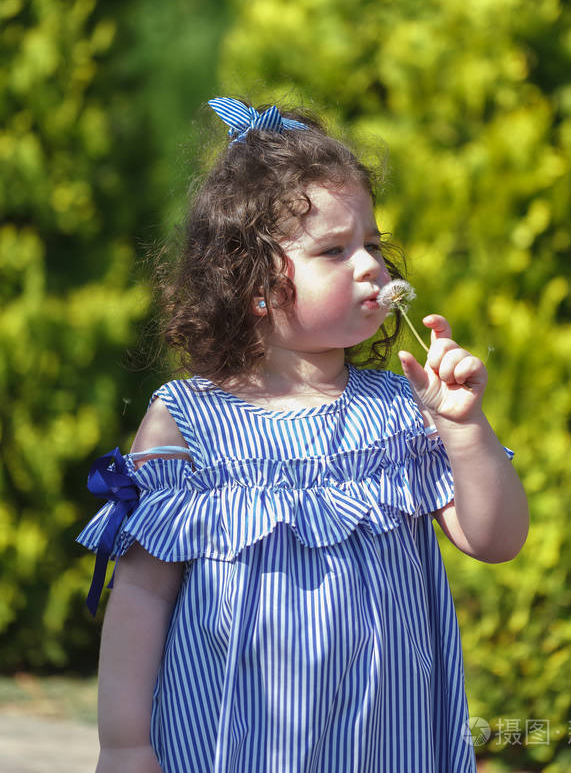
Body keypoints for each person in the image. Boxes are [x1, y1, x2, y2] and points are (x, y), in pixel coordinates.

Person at [78, 97, 529, 773]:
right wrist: (124, 742)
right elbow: (142, 594)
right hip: (234, 740)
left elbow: (496, 538)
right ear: (255, 282)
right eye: (334, 249)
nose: (371, 265)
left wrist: (464, 429)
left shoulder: (400, 410)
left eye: (373, 244)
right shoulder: (188, 421)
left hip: (387, 737)